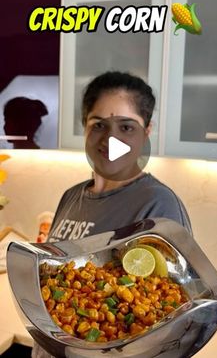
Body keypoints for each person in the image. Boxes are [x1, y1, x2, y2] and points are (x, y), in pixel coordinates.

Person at [32, 71, 192, 358]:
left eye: (127, 127)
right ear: (85, 127)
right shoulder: (71, 196)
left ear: (147, 133)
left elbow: (172, 327)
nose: (111, 139)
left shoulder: (159, 205)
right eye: (99, 125)